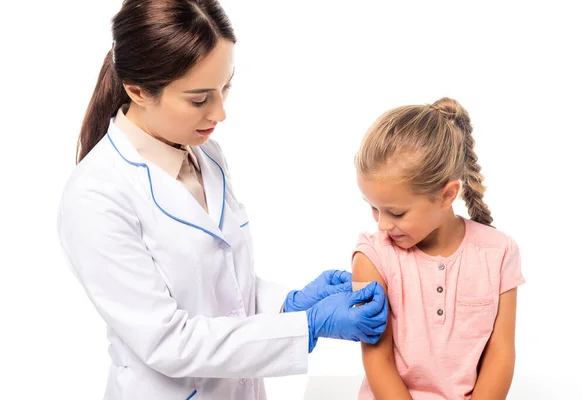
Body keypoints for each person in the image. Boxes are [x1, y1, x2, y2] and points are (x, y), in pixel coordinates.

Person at [56, 1, 387, 399]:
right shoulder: (96, 196)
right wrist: (307, 327)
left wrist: (291, 303)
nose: (220, 113)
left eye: (225, 87)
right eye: (199, 99)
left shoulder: (206, 156)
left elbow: (224, 288)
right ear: (138, 90)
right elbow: (167, 341)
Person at [352, 97, 525, 400]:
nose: (382, 225)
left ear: (447, 195)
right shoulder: (373, 256)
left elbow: (500, 354)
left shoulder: (499, 253)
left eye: (396, 212)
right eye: (374, 209)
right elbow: (377, 359)